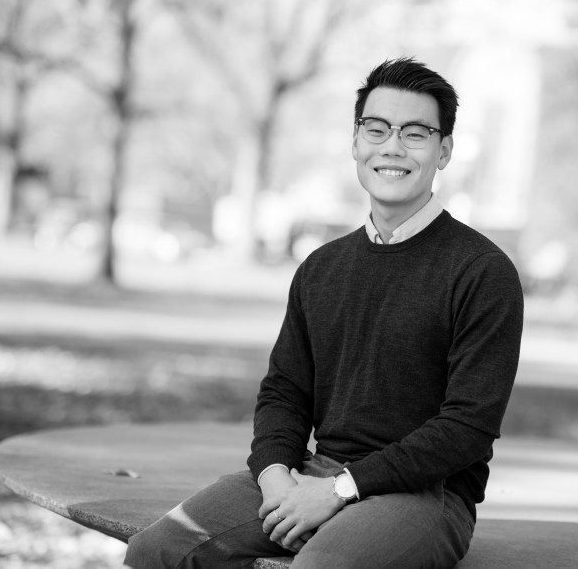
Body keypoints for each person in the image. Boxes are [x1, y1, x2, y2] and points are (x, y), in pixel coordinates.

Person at [123, 57, 524, 569]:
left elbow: (468, 426)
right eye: (376, 129)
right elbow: (284, 391)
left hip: (427, 497)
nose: (392, 147)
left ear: (444, 150)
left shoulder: (482, 272)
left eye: (416, 133)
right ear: (356, 143)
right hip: (311, 474)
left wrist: (340, 490)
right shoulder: (321, 267)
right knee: (156, 550)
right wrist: (274, 475)